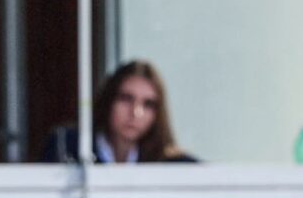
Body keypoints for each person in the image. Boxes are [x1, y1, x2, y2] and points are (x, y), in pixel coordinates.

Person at [42, 58, 193, 163]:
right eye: (126, 99)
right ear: (109, 100)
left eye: (148, 104)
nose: (136, 113)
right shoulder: (67, 148)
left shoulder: (172, 165)